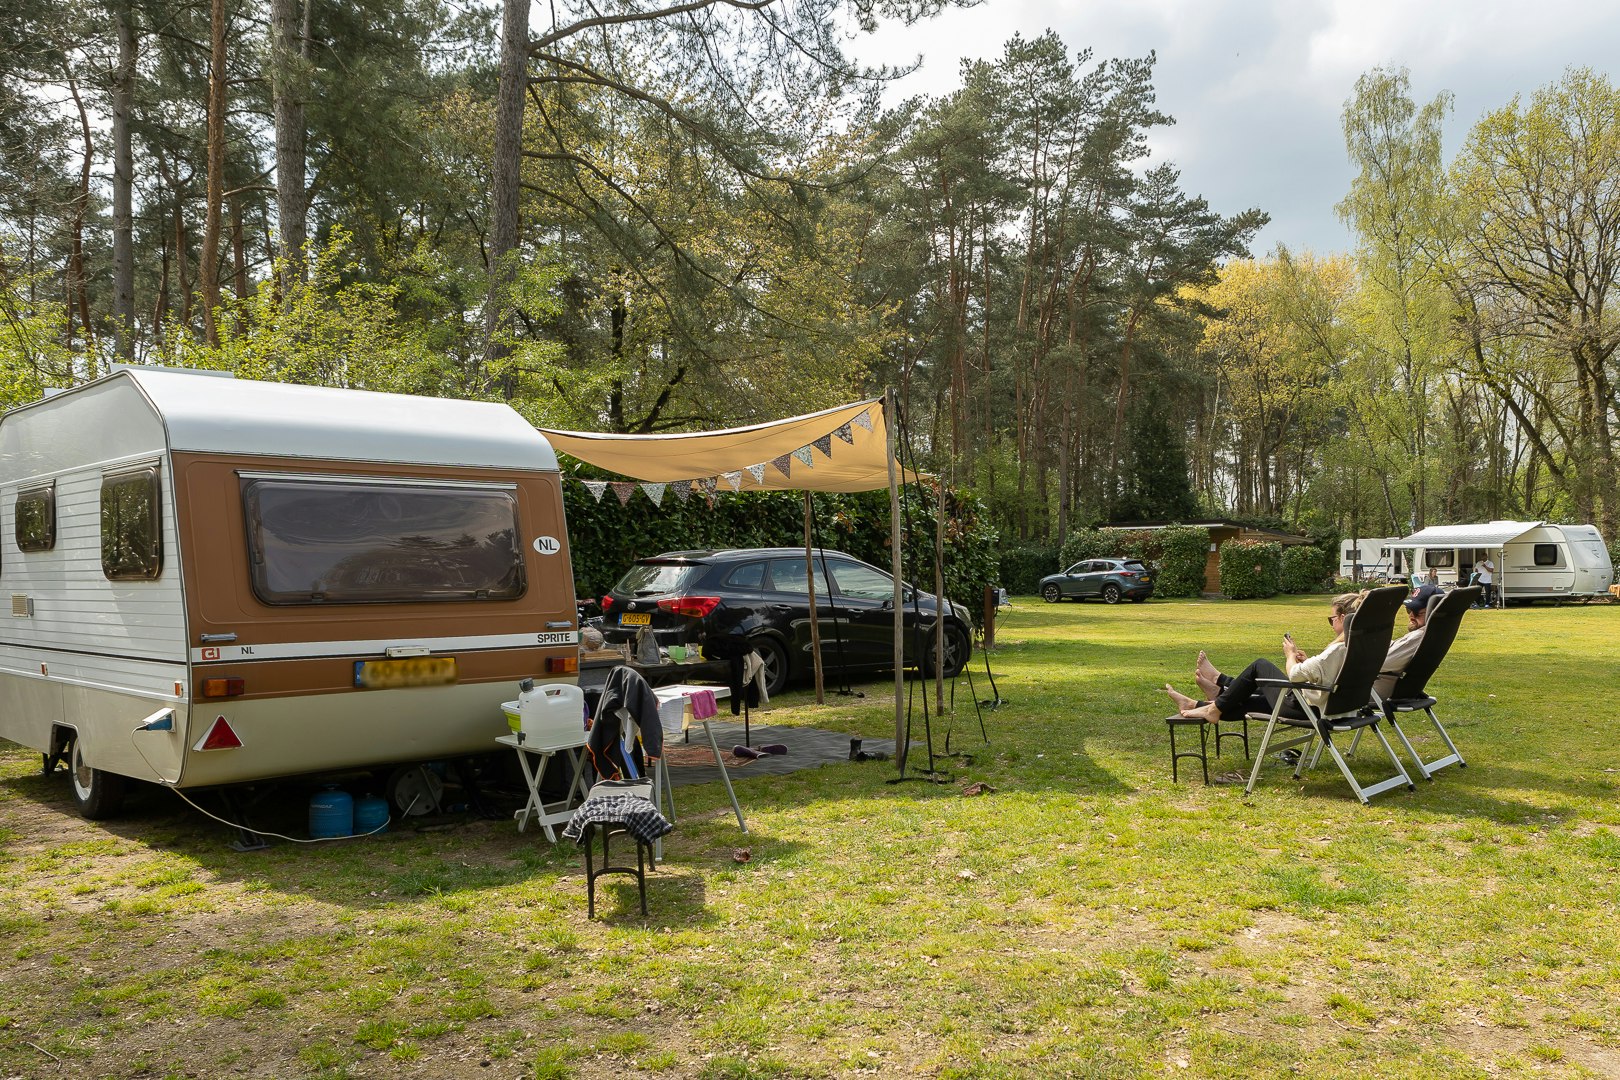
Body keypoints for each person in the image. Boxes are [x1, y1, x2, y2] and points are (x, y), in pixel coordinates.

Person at [1165, 591, 1367, 723]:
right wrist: (1308, 663)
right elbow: (1333, 675)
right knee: (1252, 700)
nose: (1331, 623)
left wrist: (1290, 655)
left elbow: (1295, 675)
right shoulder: (1359, 648)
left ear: (1343, 618)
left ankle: (1218, 694)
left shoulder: (1337, 650)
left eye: (1332, 619)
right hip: (1332, 709)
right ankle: (1200, 703)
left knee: (1259, 666)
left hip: (1308, 709)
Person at [1374, 583, 1443, 701]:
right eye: (1409, 610)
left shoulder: (1419, 636)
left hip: (1373, 691)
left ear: (1433, 613)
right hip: (1397, 688)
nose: (1411, 615)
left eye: (1418, 612)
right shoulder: (1436, 634)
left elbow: (1381, 663)